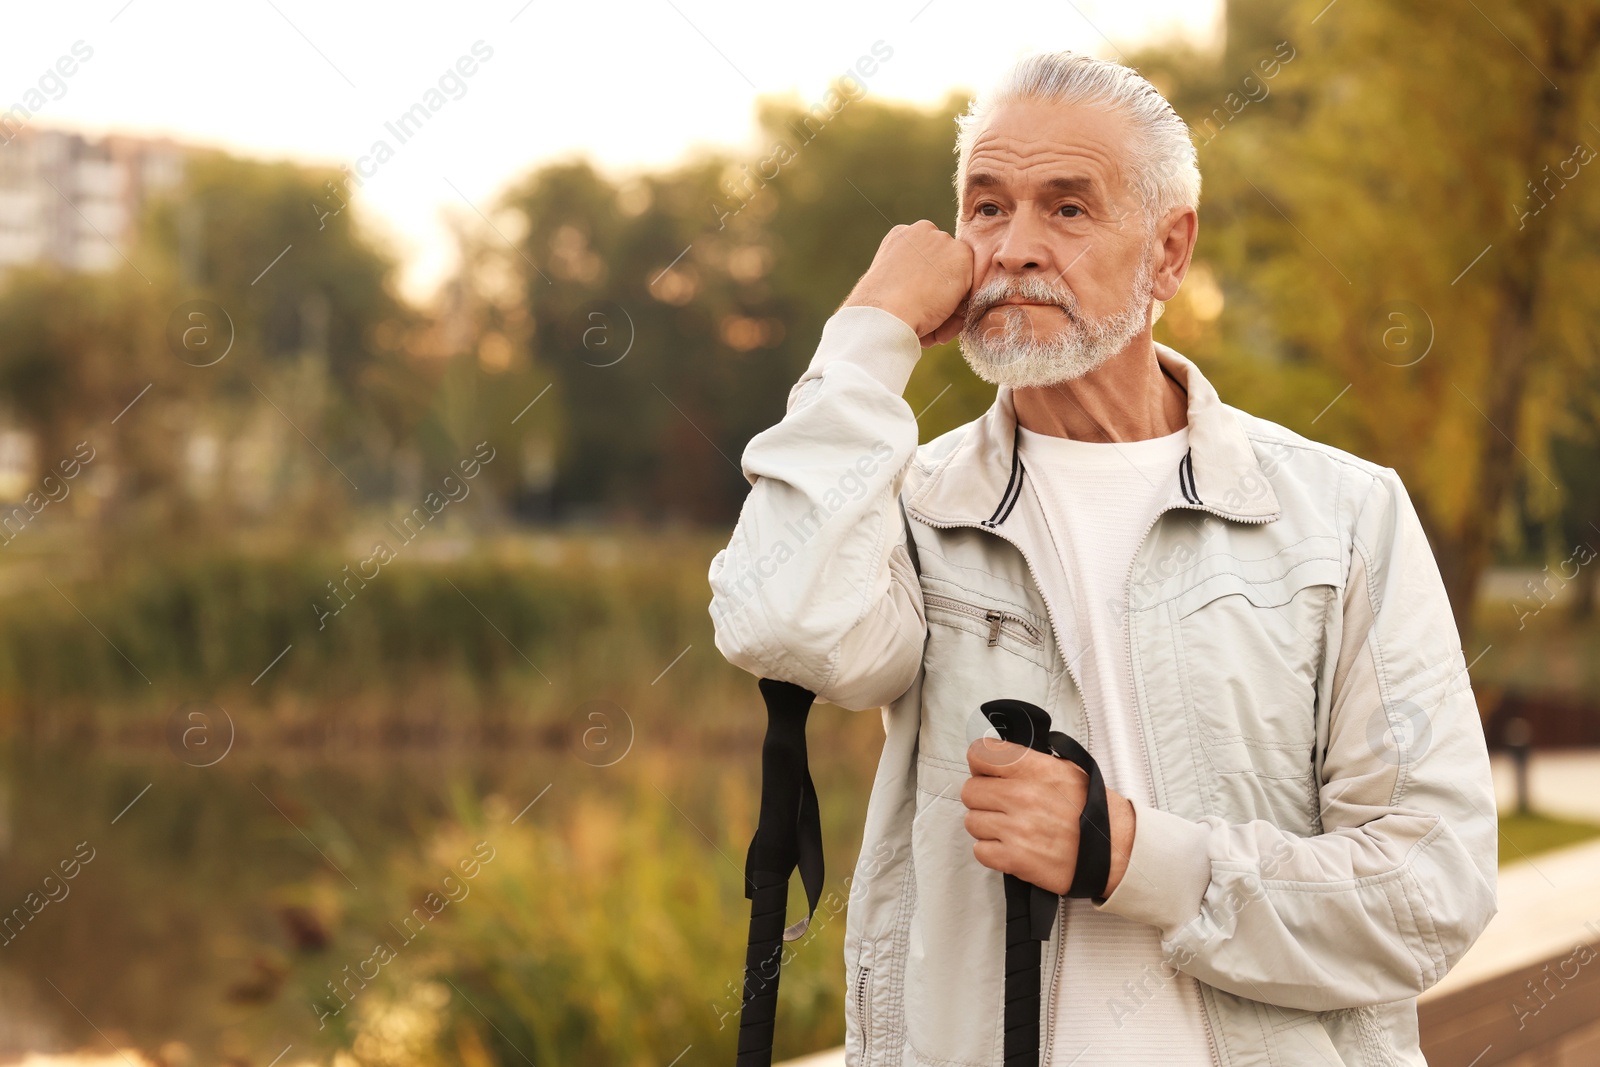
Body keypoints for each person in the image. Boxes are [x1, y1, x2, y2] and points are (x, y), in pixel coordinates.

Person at [708, 50, 1497, 1066]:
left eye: (1067, 209)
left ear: (1168, 254)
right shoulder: (909, 508)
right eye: (986, 208)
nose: (1015, 248)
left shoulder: (1340, 516)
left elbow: (1429, 890)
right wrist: (867, 336)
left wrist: (1128, 853)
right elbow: (778, 620)